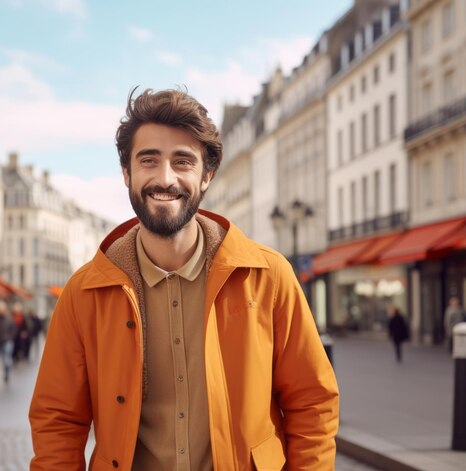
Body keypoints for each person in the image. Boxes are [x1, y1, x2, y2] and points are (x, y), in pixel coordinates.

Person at [29, 88, 339, 470]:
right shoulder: (84, 293)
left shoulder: (269, 277)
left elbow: (313, 402)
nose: (165, 178)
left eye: (182, 161)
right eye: (149, 160)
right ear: (126, 173)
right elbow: (57, 420)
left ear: (206, 175)